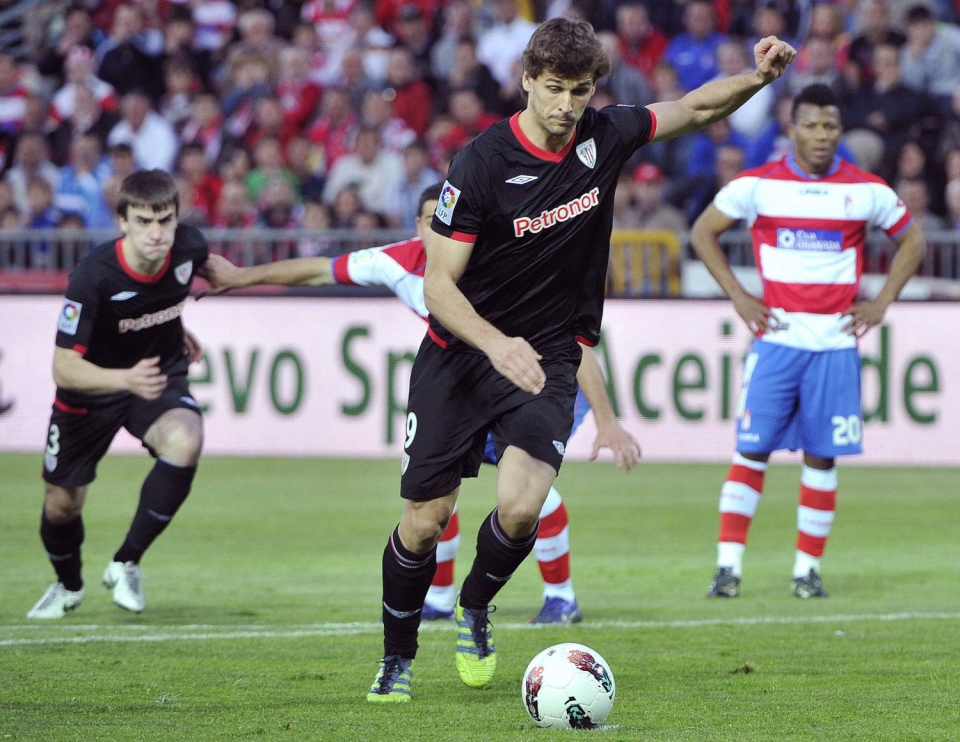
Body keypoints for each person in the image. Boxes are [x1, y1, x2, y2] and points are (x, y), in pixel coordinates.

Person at [363, 17, 795, 702]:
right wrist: (495, 344)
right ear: (528, 80)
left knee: (523, 507)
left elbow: (695, 107)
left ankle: (475, 606)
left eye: (581, 91)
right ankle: (397, 657)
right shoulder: (480, 164)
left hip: (544, 356)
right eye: (555, 89)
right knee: (423, 522)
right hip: (461, 357)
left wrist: (759, 77)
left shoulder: (606, 135)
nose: (566, 106)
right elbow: (438, 286)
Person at [198, 183, 635, 625]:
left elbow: (574, 343)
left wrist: (606, 418)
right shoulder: (398, 262)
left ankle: (561, 597)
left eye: (448, 218)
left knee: (528, 495)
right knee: (435, 494)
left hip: (535, 378)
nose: (440, 227)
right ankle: (443, 599)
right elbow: (318, 270)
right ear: (419, 226)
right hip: (469, 389)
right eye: (430, 219)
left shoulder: (502, 257)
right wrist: (241, 277)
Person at [689, 84, 926, 600]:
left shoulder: (866, 191)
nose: (822, 135)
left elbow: (914, 241)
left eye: (831, 126)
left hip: (836, 345)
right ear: (791, 128)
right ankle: (728, 569)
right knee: (751, 452)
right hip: (778, 342)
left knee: (822, 457)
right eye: (812, 125)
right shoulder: (759, 185)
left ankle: (806, 571)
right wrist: (739, 296)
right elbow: (702, 232)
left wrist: (882, 301)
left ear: (841, 131)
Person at [27, 169, 211, 619]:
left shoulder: (189, 247)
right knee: (62, 503)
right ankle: (68, 585)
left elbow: (209, 277)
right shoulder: (92, 277)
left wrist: (174, 322)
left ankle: (126, 561)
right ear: (123, 222)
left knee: (186, 439)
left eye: (165, 221)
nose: (157, 233)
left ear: (177, 219)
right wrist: (124, 378)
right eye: (144, 222)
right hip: (92, 390)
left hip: (156, 376)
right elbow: (63, 367)